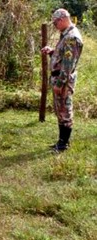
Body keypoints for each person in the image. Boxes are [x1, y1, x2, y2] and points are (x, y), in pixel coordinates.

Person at [41, 8, 84, 152]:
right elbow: (64, 57)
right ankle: (61, 141)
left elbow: (68, 65)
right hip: (60, 76)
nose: (55, 26)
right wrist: (52, 52)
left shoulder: (71, 37)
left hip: (63, 79)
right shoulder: (66, 35)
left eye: (55, 23)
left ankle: (63, 144)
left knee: (65, 111)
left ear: (63, 19)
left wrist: (60, 83)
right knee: (60, 110)